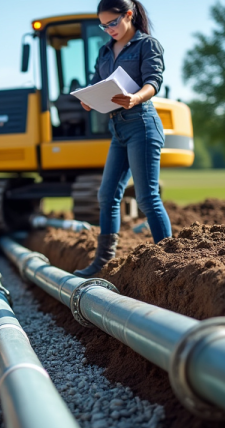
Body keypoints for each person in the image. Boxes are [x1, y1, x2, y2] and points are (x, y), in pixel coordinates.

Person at [74, 0, 172, 277]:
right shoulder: (105, 51)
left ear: (128, 15)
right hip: (117, 128)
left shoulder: (147, 45)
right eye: (103, 25)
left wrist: (134, 98)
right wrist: (88, 99)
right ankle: (102, 261)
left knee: (147, 198)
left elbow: (153, 81)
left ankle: (169, 262)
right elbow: (96, 82)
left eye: (113, 23)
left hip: (141, 123)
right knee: (107, 194)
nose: (108, 30)